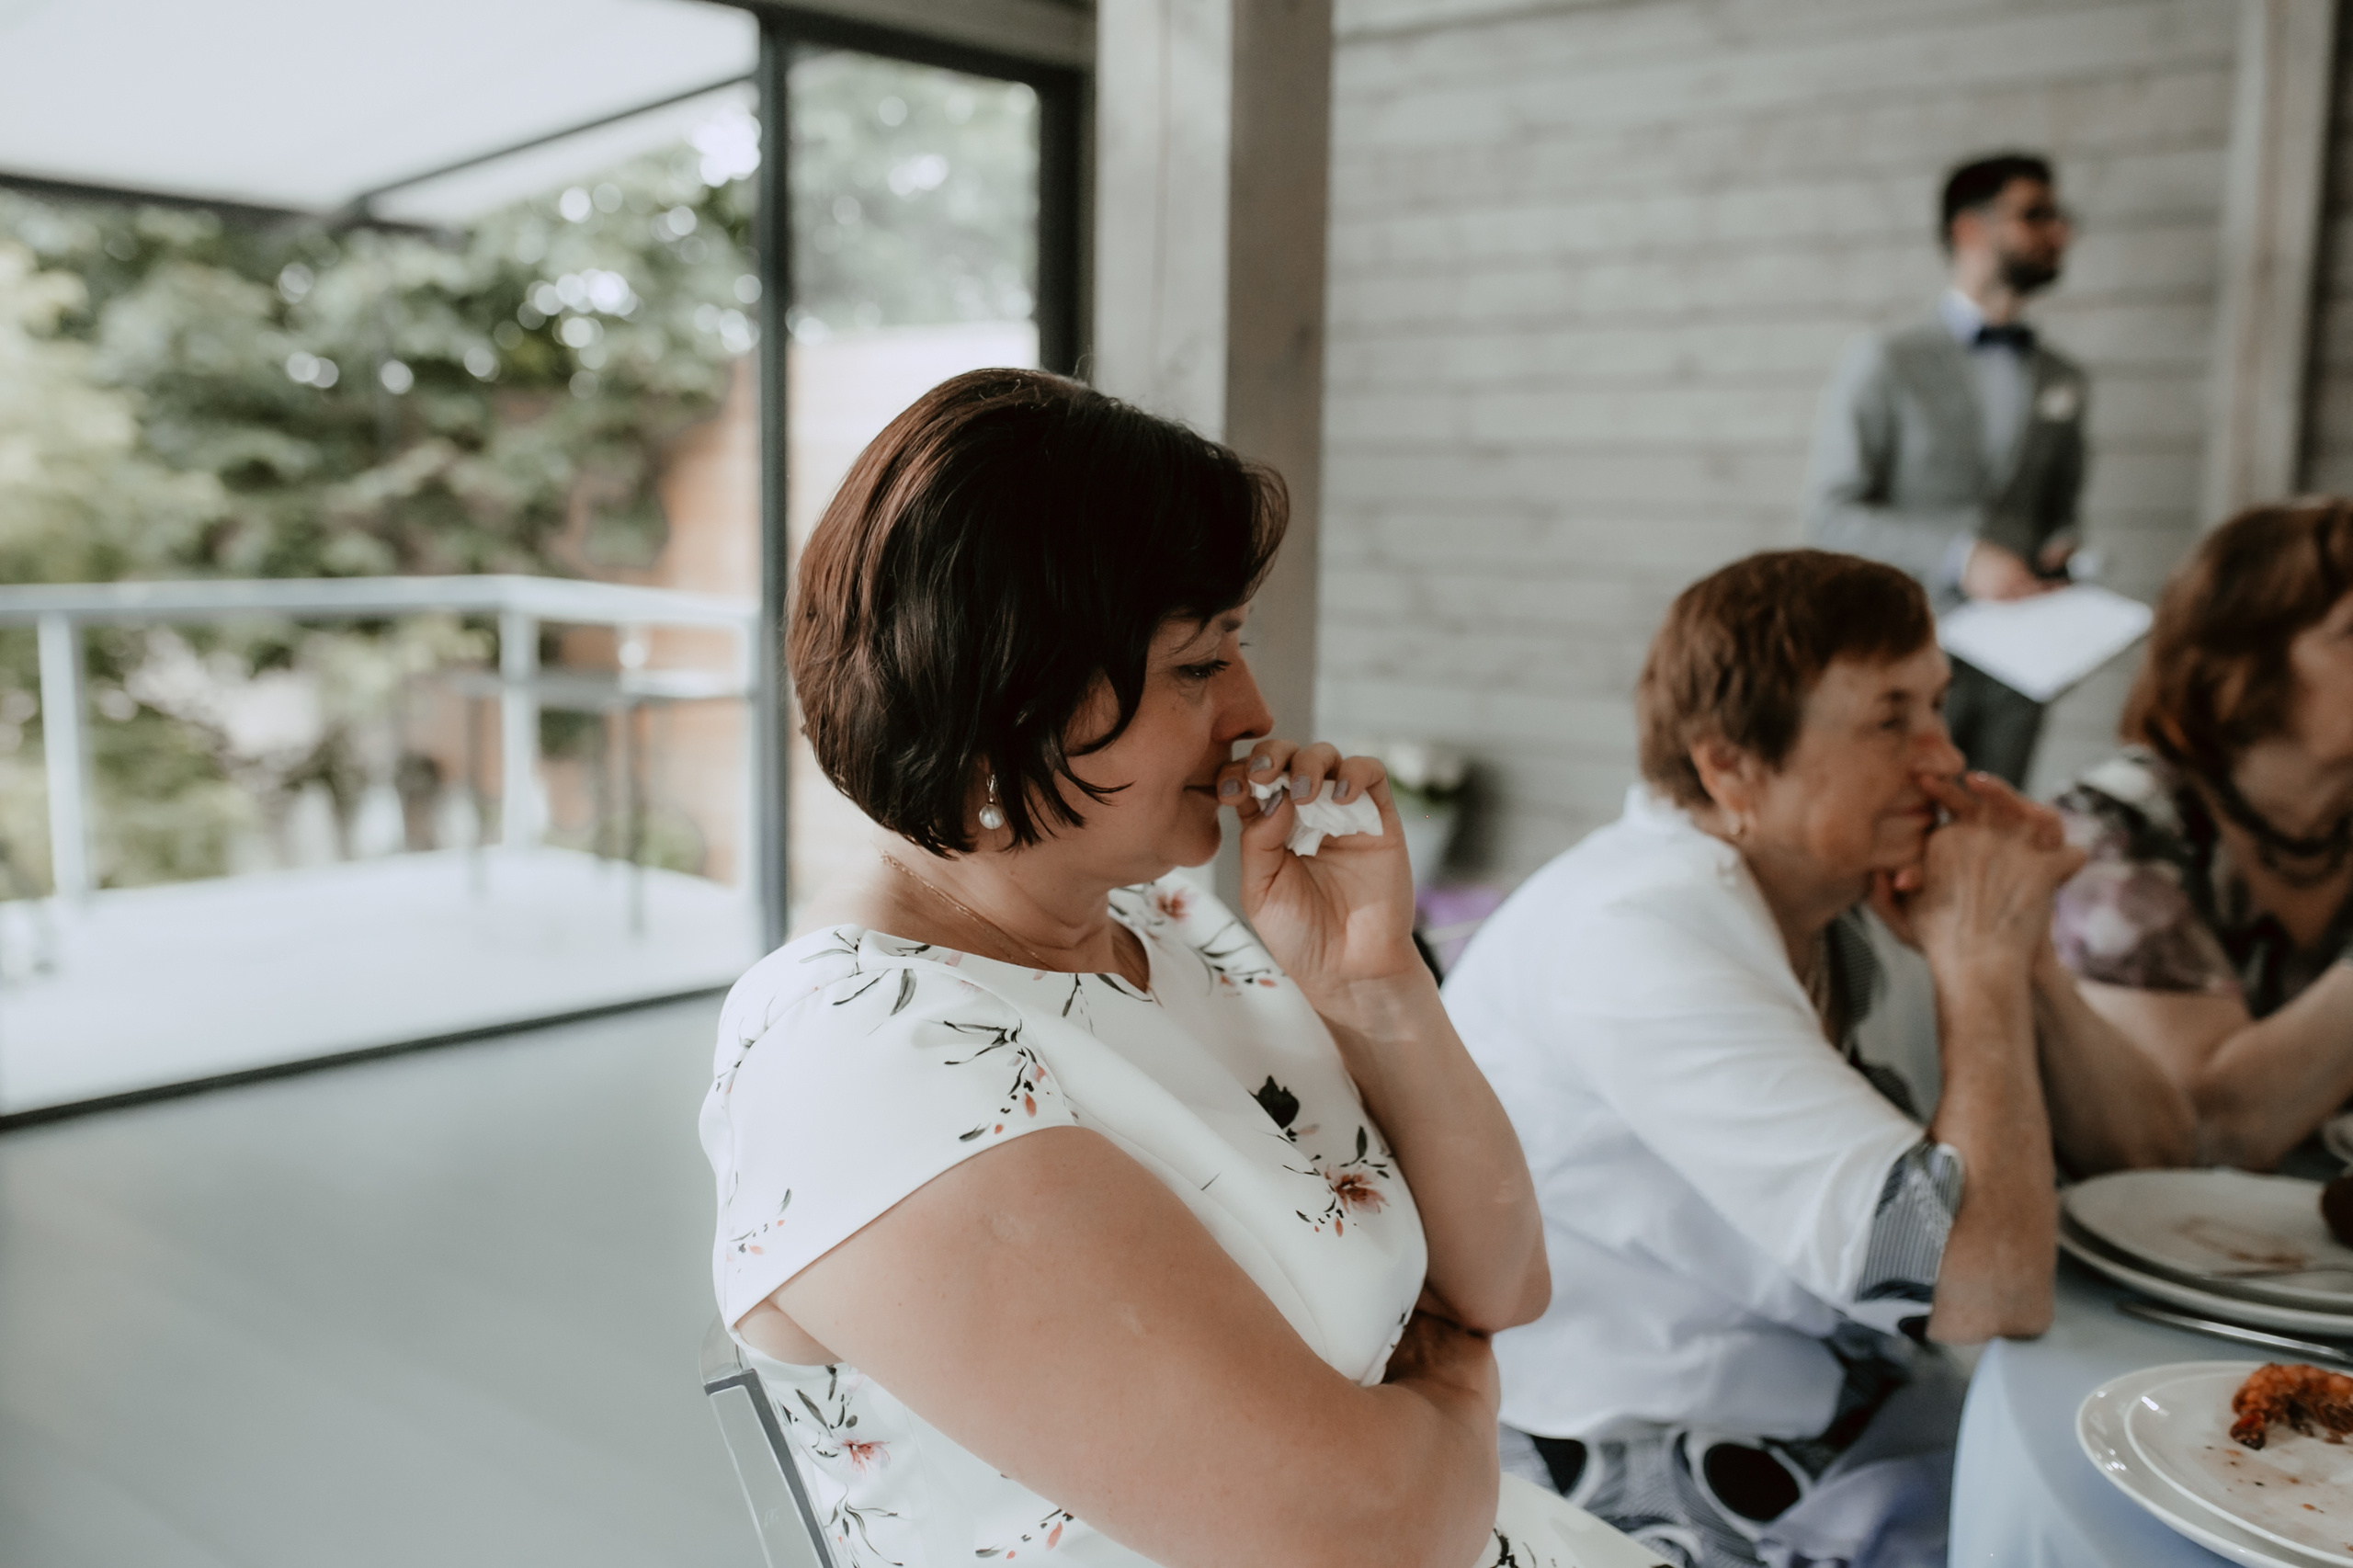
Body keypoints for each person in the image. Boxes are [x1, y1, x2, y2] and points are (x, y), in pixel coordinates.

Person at [699, 367, 1595, 1568]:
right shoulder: (869, 1058)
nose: (1255, 710)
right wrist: (1457, 1383)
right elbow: (1369, 1536)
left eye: (1238, 644)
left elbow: (1507, 1281)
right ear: (1006, 697)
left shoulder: (1172, 922)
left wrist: (1370, 981)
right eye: (1196, 664)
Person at [1442, 551, 2189, 1568]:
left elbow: (2155, 1157)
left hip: (1838, 1414)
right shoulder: (1635, 932)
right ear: (1731, 768)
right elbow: (1980, 1284)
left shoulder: (1840, 888)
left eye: (1937, 704)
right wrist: (1976, 963)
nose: (1945, 757)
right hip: (1643, 1460)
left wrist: (2025, 953)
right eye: (1889, 719)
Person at [2049, 500, 2353, 1172]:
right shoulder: (2114, 830)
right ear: (2240, 664)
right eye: (2351, 633)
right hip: (2137, 1223)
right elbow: (2208, 1130)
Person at [1802, 152, 2086, 787]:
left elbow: (2061, 510)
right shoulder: (1887, 360)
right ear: (1970, 229)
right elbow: (1830, 513)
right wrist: (1963, 558)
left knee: (1993, 821)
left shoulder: (2064, 377)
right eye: (2035, 214)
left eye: (2059, 216)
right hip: (1903, 658)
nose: (2058, 232)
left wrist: (2062, 548)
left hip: (2021, 667)